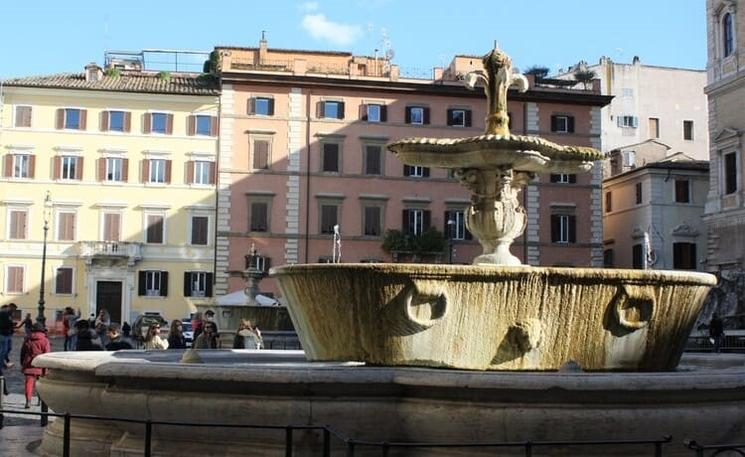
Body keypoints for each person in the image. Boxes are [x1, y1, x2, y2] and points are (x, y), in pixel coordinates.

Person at [20, 323, 51, 409]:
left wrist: (23, 363)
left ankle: (28, 401)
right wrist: (46, 368)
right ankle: (40, 400)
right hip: (40, 364)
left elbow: (22, 352)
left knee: (28, 383)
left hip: (29, 364)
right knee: (40, 384)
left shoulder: (27, 339)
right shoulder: (45, 340)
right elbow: (47, 354)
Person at [0, 303, 19, 368]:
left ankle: (4, 361)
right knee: (3, 351)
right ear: (10, 307)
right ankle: (2, 364)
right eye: (13, 309)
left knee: (8, 348)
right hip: (3, 334)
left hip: (8, 334)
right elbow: (3, 325)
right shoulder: (2, 314)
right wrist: (11, 324)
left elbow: (8, 323)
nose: (14, 311)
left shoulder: (9, 314)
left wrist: (12, 325)